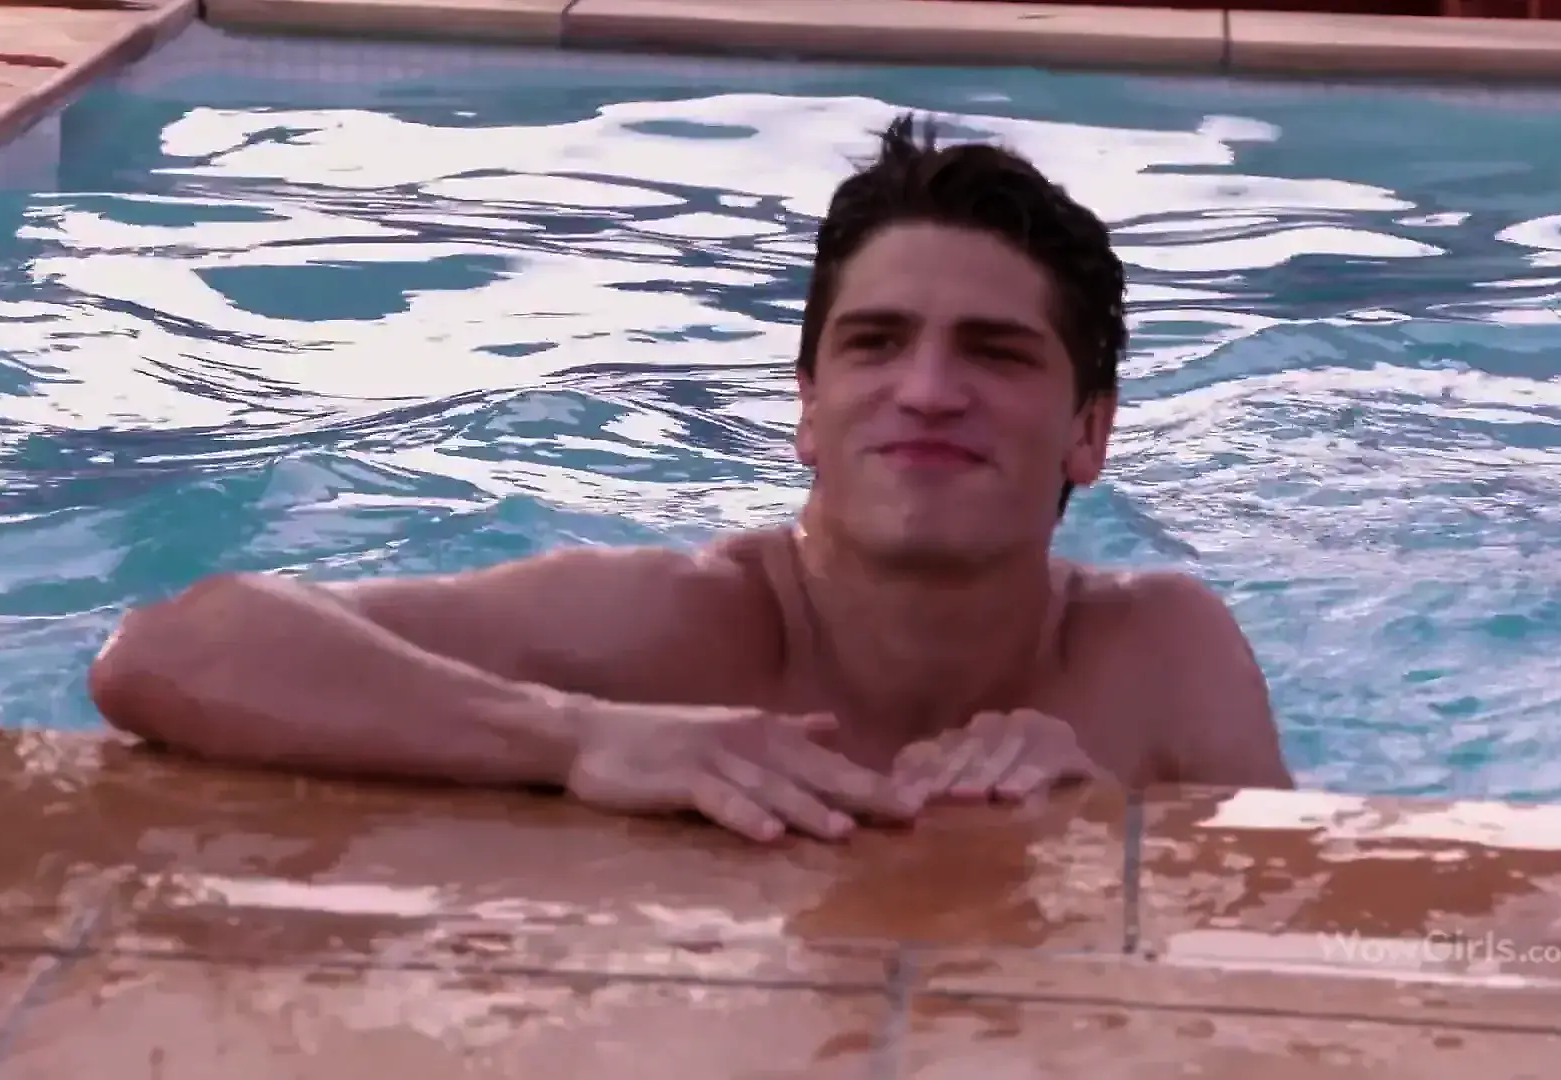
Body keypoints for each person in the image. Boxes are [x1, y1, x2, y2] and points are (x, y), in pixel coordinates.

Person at [89, 113, 1294, 844]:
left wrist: (1117, 834)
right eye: (875, 344)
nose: (928, 389)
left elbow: (1307, 952)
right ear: (808, 409)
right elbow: (169, 650)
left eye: (996, 352)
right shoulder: (672, 627)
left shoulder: (1161, 654)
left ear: (1091, 433)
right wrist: (581, 738)